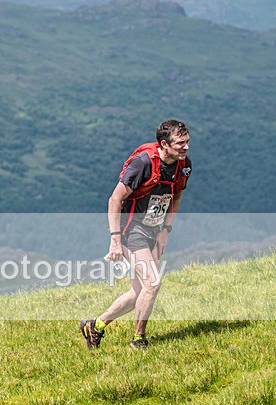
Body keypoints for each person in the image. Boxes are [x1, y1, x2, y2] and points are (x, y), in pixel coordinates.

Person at [80, 119, 192, 349]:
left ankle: (95, 326)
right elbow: (115, 199)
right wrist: (115, 240)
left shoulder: (183, 164)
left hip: (153, 229)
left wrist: (165, 232)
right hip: (131, 230)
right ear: (164, 144)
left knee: (140, 290)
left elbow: (176, 196)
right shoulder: (143, 164)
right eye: (180, 143)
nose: (186, 147)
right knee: (152, 283)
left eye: (187, 141)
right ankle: (138, 340)